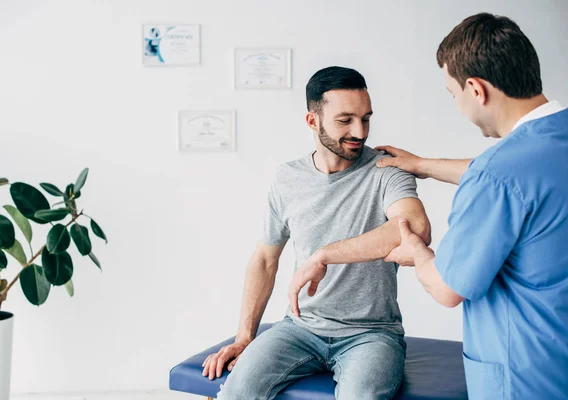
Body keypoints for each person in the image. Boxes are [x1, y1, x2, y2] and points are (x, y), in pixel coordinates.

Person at [291, 13, 568, 400]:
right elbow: (523, 173)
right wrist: (423, 165)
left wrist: (418, 254)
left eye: (453, 95)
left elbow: (447, 288)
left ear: (476, 89)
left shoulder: (497, 176)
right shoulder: (550, 145)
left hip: (525, 378)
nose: (456, 106)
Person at [202, 66, 431, 399]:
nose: (359, 130)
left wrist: (325, 254)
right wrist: (243, 337)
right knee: (235, 393)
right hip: (300, 329)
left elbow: (414, 228)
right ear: (313, 121)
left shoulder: (386, 169)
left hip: (371, 334)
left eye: (366, 119)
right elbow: (266, 258)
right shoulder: (287, 178)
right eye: (345, 120)